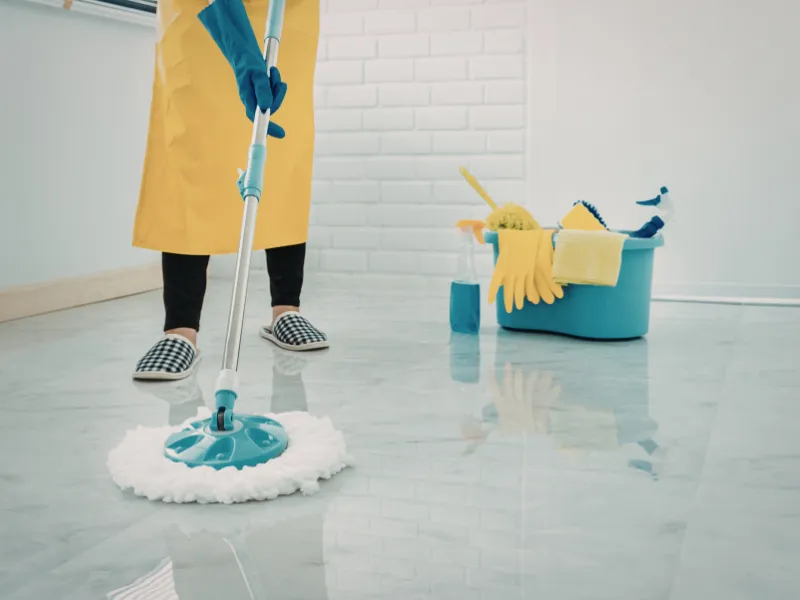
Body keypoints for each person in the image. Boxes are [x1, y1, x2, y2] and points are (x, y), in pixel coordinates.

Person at [131, 0, 326, 381]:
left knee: (282, 154)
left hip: (287, 13)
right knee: (192, 151)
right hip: (197, 14)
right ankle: (181, 330)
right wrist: (244, 57)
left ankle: (286, 309)